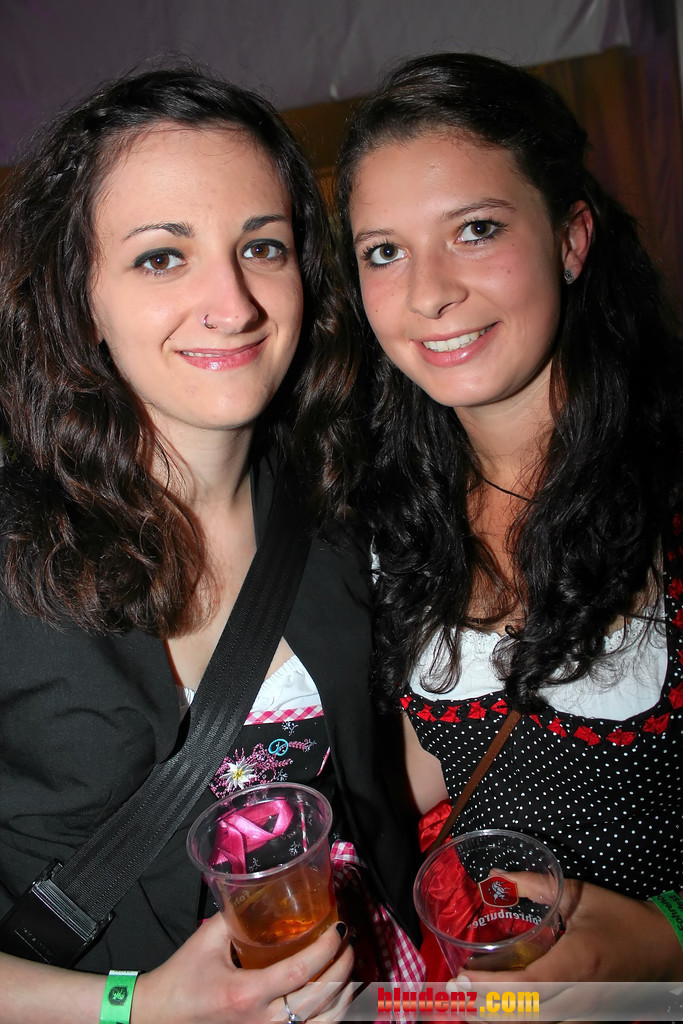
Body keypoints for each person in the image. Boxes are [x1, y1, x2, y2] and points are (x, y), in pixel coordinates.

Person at [0, 66, 419, 1024]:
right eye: (161, 257)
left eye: (261, 247)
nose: (232, 304)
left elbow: (384, 774)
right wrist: (134, 1006)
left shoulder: (342, 515)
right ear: (80, 299)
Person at [335, 52, 683, 983]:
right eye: (383, 252)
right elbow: (426, 771)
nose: (427, 292)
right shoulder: (382, 513)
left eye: (475, 229)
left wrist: (662, 941)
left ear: (571, 237)